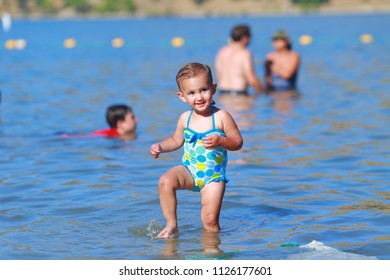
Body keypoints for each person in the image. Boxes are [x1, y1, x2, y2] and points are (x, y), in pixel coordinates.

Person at [150, 62, 243, 238]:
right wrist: (160, 147)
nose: (199, 97)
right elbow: (176, 140)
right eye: (191, 93)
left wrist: (221, 141)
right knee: (165, 181)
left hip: (213, 177)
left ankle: (212, 252)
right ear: (182, 96)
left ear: (213, 88)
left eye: (203, 90)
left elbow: (238, 142)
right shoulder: (185, 118)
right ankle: (172, 225)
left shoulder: (221, 117)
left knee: (210, 221)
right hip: (190, 170)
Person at [215, 24, 264, 96]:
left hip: (223, 93)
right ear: (245, 38)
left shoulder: (221, 51)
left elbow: (218, 75)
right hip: (239, 94)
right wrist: (263, 91)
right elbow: (251, 78)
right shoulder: (244, 53)